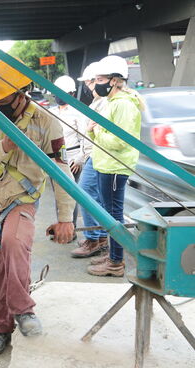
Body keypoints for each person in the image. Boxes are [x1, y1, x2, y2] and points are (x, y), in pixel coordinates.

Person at [0, 60, 75, 356]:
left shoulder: (46, 122)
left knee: (14, 243)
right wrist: (4, 146)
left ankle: (23, 310)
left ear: (22, 93)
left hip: (22, 199)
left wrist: (64, 217)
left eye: (4, 101)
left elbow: (61, 169)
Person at [87, 56, 142, 277]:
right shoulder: (113, 103)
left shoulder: (124, 105)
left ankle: (116, 263)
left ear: (114, 81)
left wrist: (96, 130)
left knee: (113, 215)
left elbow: (120, 141)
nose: (96, 83)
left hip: (115, 167)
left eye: (100, 79)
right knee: (109, 213)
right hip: (107, 164)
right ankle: (113, 254)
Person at [71, 62, 110, 258]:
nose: (88, 85)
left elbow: (96, 131)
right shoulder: (98, 102)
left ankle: (94, 238)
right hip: (93, 155)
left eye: (91, 81)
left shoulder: (104, 103)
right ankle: (100, 236)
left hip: (97, 155)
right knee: (95, 197)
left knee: (85, 194)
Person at [50, 75, 86, 228]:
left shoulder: (78, 112)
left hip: (72, 157)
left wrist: (79, 159)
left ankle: (70, 228)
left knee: (71, 194)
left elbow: (85, 138)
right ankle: (61, 226)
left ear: (71, 94)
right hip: (54, 157)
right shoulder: (51, 111)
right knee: (58, 194)